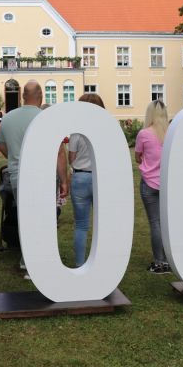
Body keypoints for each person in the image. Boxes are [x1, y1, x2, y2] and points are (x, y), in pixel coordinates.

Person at [0, 80, 68, 279]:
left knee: (25, 217)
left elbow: (2, 146)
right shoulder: (46, 118)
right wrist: (64, 180)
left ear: (22, 97)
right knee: (44, 218)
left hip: (18, 174)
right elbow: (59, 153)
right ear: (41, 96)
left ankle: (26, 261)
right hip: (44, 174)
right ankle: (39, 263)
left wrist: (14, 160)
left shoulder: (9, 118)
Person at [68, 93, 105, 267]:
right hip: (101, 178)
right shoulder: (106, 127)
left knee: (81, 225)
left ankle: (80, 263)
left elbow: (71, 157)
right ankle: (102, 262)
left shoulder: (77, 131)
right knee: (103, 223)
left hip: (80, 177)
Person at [135, 100, 171, 274]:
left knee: (155, 222)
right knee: (166, 222)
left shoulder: (144, 133)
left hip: (149, 182)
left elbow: (137, 156)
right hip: (167, 183)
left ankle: (159, 262)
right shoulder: (171, 133)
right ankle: (170, 259)